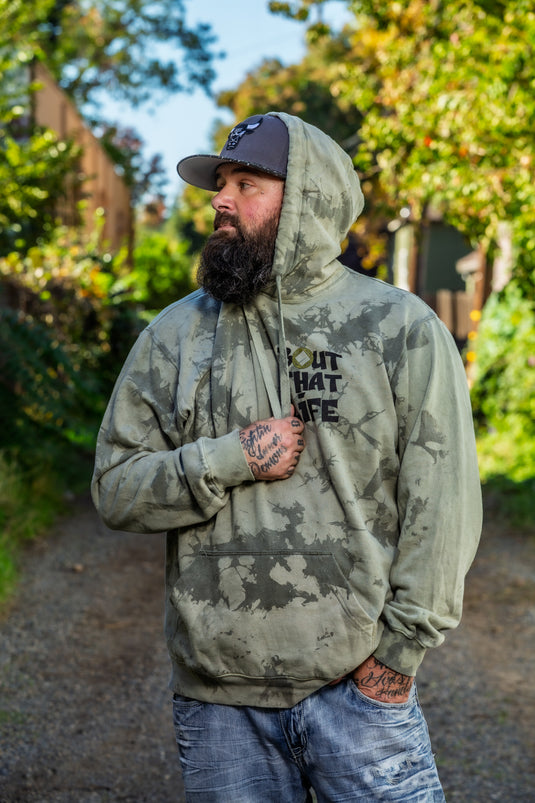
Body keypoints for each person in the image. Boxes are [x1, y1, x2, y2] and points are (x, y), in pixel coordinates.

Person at [91, 112, 482, 802]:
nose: (221, 199)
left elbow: (442, 501)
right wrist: (229, 456)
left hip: (357, 693)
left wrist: (397, 657)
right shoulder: (174, 335)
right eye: (220, 185)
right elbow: (116, 488)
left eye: (246, 184)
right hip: (218, 704)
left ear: (306, 197)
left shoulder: (398, 328)